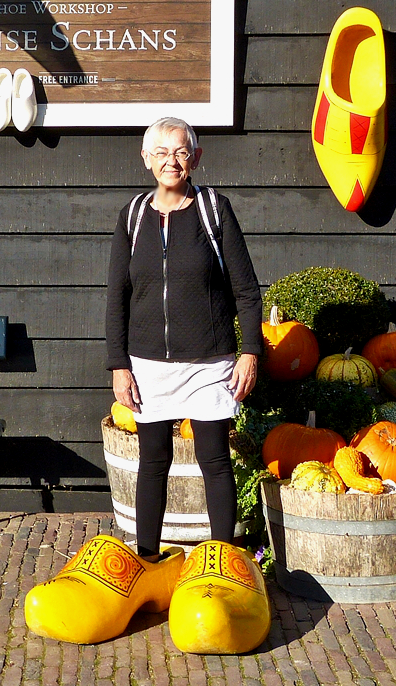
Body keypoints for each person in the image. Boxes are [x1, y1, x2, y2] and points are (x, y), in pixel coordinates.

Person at [106, 117, 263, 562]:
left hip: (210, 361)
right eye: (160, 152)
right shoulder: (132, 216)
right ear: (146, 160)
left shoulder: (214, 209)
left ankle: (223, 559)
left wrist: (250, 351)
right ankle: (148, 558)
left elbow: (246, 290)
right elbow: (117, 295)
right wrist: (119, 364)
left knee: (215, 460)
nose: (170, 161)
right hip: (148, 363)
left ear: (195, 158)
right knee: (153, 461)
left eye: (179, 151)